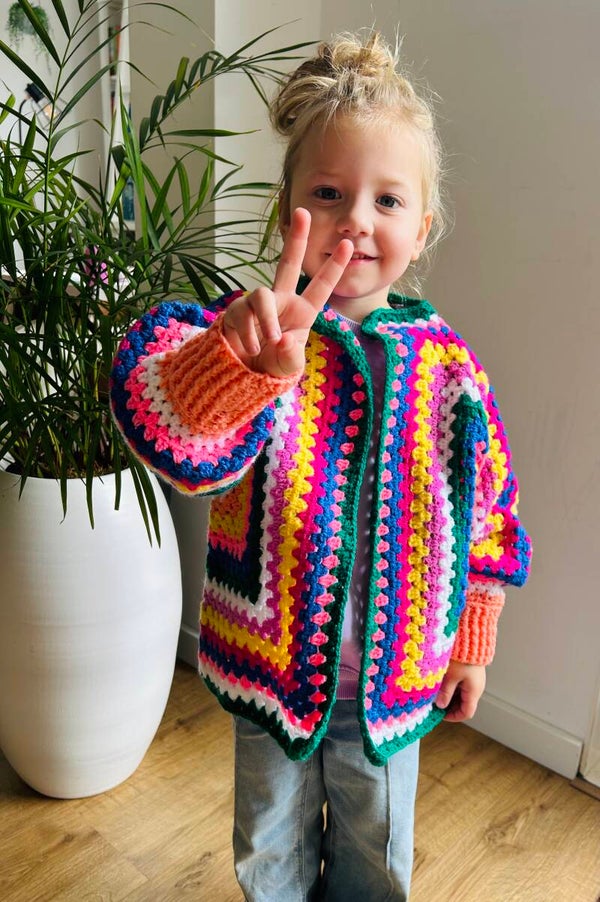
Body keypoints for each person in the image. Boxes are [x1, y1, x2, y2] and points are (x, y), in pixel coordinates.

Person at [111, 32, 531, 902]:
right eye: (329, 193)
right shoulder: (247, 334)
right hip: (270, 667)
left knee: (378, 852)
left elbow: (490, 514)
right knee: (269, 845)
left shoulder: (451, 372)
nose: (356, 221)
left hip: (394, 683)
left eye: (388, 199)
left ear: (423, 226)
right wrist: (239, 372)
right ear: (288, 210)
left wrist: (472, 641)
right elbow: (175, 433)